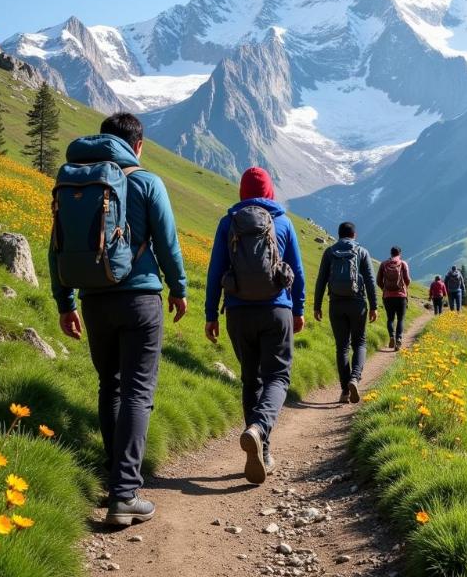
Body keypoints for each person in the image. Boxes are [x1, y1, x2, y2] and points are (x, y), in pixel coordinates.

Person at [51, 112, 188, 526]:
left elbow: (56, 245)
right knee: (137, 392)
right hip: (141, 300)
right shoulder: (147, 181)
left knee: (109, 385)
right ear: (138, 145)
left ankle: (116, 477)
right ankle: (125, 493)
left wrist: (64, 302)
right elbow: (167, 242)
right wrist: (179, 289)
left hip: (94, 301)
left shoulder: (75, 183)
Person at [204, 167, 305, 485]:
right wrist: (299, 309)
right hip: (277, 310)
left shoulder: (228, 223)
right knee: (278, 376)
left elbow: (214, 270)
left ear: (242, 192)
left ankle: (262, 453)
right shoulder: (283, 222)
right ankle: (259, 429)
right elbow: (298, 272)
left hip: (238, 312)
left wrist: (210, 314)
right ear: (270, 191)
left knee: (251, 378)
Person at [314, 222, 378, 404]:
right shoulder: (362, 252)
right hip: (358, 304)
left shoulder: (330, 252)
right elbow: (370, 282)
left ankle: (344, 391)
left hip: (336, 304)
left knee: (342, 346)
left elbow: (321, 280)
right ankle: (354, 378)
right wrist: (374, 306)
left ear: (339, 234)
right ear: (354, 235)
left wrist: (316, 306)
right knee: (359, 343)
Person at [376, 245, 411, 350]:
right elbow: (408, 279)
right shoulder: (403, 264)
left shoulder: (384, 264)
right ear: (400, 254)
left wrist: (384, 289)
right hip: (401, 296)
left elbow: (378, 281)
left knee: (390, 319)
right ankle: (399, 338)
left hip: (388, 296)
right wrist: (404, 287)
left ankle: (392, 336)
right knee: (400, 319)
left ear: (391, 253)